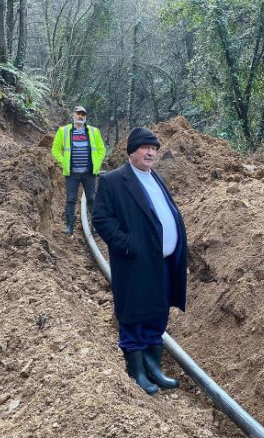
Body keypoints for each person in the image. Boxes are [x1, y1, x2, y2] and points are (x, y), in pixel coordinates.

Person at [92, 127, 188, 395]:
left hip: (163, 262)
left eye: (154, 148)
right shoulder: (113, 181)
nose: (151, 152)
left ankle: (154, 367)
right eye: (145, 147)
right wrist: (128, 245)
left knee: (157, 311)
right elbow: (101, 219)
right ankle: (136, 370)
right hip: (134, 262)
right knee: (134, 313)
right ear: (131, 151)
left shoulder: (154, 177)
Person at [51, 105, 106, 235]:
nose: (80, 116)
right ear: (73, 115)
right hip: (72, 173)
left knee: (92, 198)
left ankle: (95, 227)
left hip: (89, 172)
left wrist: (97, 164)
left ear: (85, 117)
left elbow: (101, 149)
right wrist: (63, 162)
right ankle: (70, 227)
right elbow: (55, 150)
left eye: (83, 114)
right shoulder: (63, 131)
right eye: (78, 114)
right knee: (71, 199)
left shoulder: (94, 131)